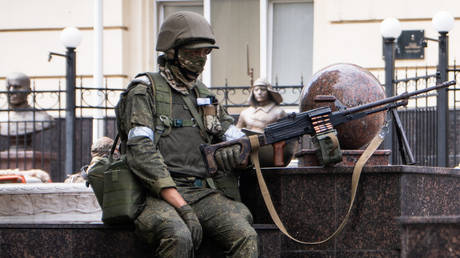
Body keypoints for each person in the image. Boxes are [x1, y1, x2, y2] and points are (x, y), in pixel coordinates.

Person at [115, 11, 258, 257]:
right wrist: (181, 205)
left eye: (206, 52)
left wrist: (249, 146)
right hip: (153, 195)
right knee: (178, 236)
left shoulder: (203, 95)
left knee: (246, 235)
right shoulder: (143, 91)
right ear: (172, 51)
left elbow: (233, 135)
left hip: (202, 191)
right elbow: (141, 152)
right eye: (195, 52)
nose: (202, 58)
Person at [0, 72, 54, 138]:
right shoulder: (1, 116)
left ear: (29, 91)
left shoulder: (42, 117)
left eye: (17, 87)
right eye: (8, 87)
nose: (11, 91)